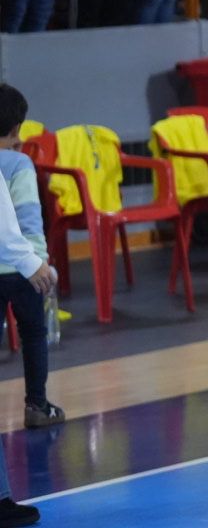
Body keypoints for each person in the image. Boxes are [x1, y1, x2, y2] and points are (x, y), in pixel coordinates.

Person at [0, 83, 63, 478]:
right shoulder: (19, 164)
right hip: (22, 269)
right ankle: (37, 405)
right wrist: (41, 263)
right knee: (34, 334)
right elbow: (27, 218)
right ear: (15, 127)